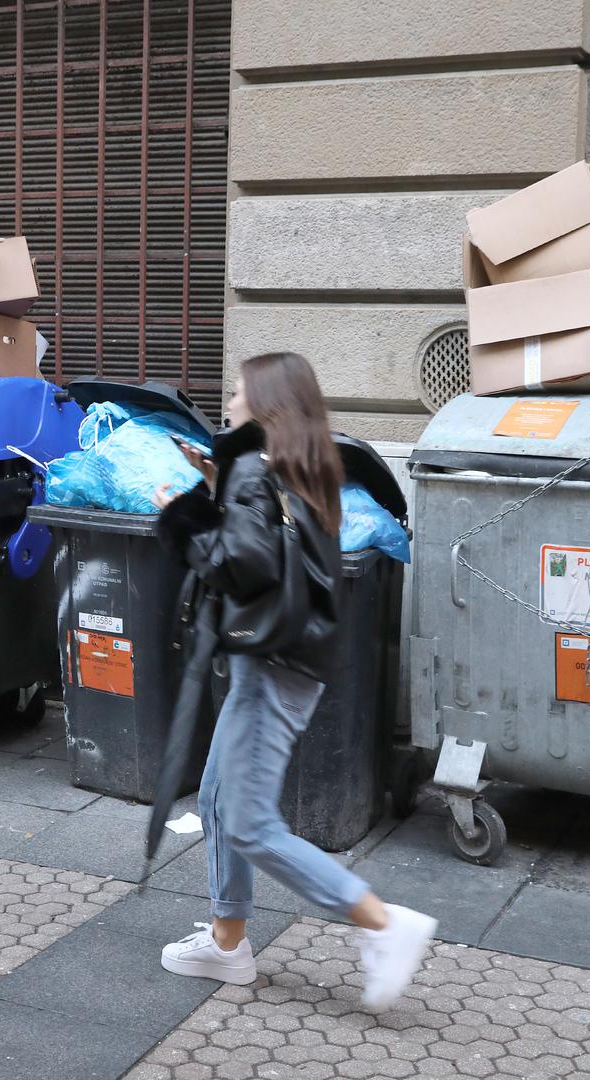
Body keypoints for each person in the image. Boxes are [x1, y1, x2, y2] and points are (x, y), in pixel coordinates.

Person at [151, 351, 437, 1012]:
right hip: (284, 660)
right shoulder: (301, 467)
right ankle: (227, 944)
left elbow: (244, 561)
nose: (226, 398)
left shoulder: (256, 466)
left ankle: (382, 924)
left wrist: (182, 516)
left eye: (236, 389)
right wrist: (218, 486)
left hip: (273, 667)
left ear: (266, 401)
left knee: (248, 823)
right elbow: (273, 552)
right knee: (221, 799)